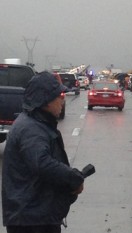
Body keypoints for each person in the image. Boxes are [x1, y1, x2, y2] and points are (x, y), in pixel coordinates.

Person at [2, 72, 84, 233]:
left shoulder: (37, 123)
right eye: (59, 95)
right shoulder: (31, 128)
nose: (63, 99)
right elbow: (42, 163)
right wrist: (73, 178)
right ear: (44, 100)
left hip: (37, 215)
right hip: (32, 220)